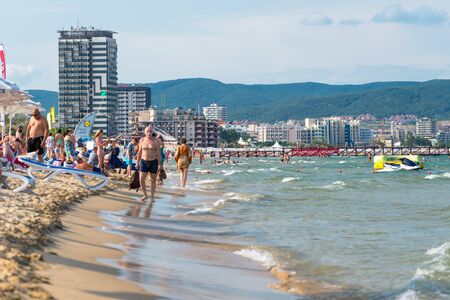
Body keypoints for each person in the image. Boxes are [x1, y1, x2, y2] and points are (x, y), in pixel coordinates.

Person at [137, 127, 162, 202]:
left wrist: (159, 164)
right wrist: (137, 162)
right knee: (141, 178)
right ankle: (145, 195)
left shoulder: (156, 141)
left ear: (152, 132)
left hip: (153, 161)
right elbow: (139, 152)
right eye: (147, 131)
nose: (149, 133)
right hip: (143, 161)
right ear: (145, 132)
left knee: (153, 180)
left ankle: (152, 196)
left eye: (150, 131)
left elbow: (158, 154)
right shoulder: (142, 140)